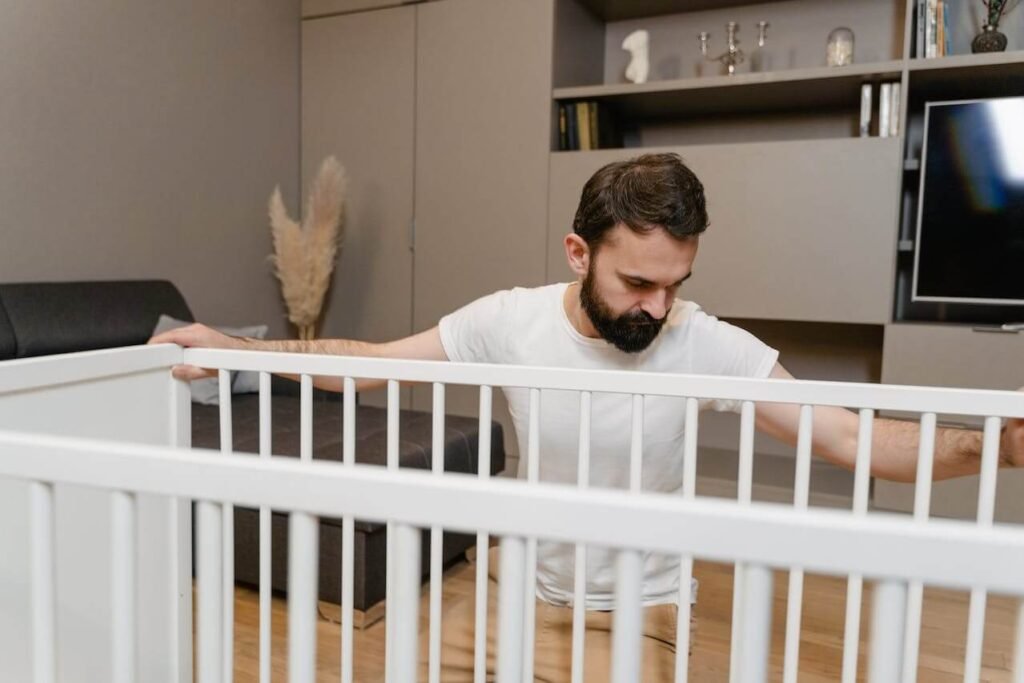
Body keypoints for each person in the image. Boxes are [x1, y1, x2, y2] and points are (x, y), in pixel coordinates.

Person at [151, 153, 1024, 682]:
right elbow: (371, 366)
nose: (656, 305)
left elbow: (854, 436)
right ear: (579, 252)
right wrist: (235, 348)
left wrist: (995, 448)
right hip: (509, 589)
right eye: (636, 282)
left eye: (675, 283)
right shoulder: (509, 319)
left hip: (632, 607)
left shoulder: (702, 341)